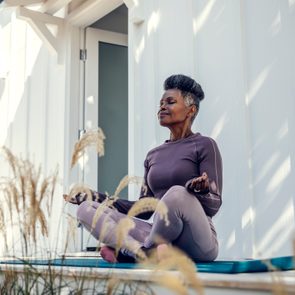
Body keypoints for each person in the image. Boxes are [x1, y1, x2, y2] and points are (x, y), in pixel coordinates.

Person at [64, 74, 223, 263]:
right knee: (86, 209)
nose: (162, 107)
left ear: (190, 110)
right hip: (160, 238)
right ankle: (142, 251)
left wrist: (203, 191)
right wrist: (96, 197)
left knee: (177, 194)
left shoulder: (205, 145)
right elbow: (144, 208)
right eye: (161, 103)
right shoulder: (153, 155)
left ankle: (135, 252)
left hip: (197, 241)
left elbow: (214, 205)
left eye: (170, 102)